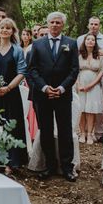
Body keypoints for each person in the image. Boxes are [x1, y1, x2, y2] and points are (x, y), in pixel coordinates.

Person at [28, 11, 79, 182]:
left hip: (63, 95)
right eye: (52, 22)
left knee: (65, 131)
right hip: (43, 95)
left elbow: (74, 70)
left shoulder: (71, 43)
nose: (55, 25)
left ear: (62, 25)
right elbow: (32, 69)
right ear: (48, 24)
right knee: (46, 131)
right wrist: (44, 87)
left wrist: (62, 88)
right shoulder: (38, 44)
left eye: (58, 22)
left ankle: (67, 167)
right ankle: (49, 166)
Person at [0, 18, 28, 175]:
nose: (5, 30)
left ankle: (11, 162)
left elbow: (22, 72)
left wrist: (7, 87)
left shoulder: (17, 50)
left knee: (11, 128)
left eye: (8, 28)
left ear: (13, 31)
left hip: (10, 94)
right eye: (2, 27)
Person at [77, 34, 103, 144]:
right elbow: (75, 71)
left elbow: (101, 72)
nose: (90, 41)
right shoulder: (79, 56)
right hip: (80, 85)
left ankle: (90, 134)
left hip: (94, 86)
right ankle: (82, 133)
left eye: (92, 40)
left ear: (95, 42)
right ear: (84, 41)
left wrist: (91, 85)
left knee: (91, 110)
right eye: (88, 39)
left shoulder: (100, 56)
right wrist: (79, 85)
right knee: (82, 109)